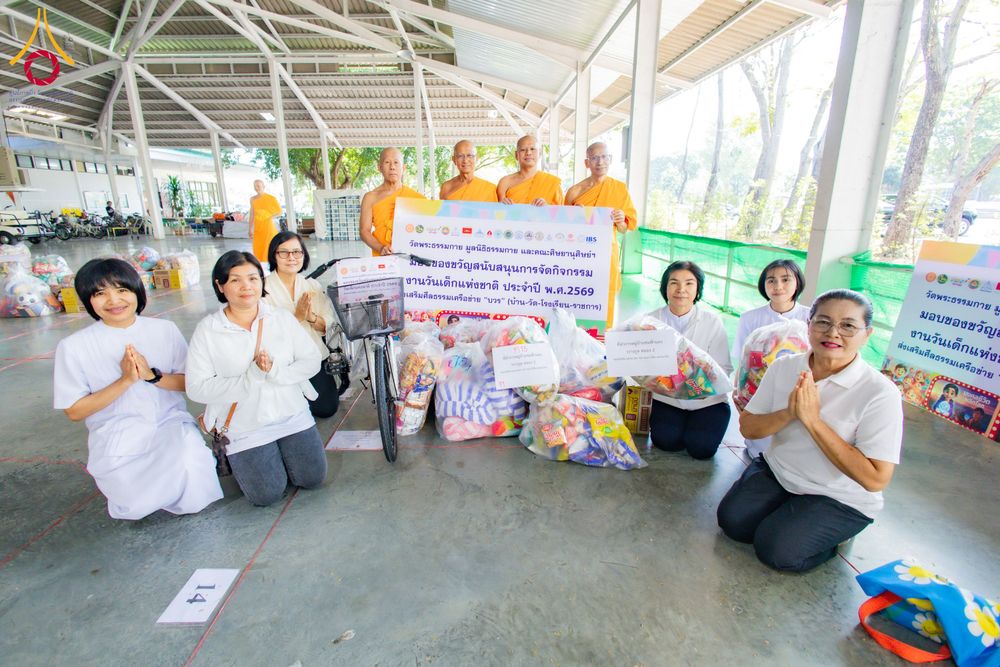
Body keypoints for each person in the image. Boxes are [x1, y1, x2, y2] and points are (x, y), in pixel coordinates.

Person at [716, 289, 904, 572]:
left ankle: (834, 536)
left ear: (867, 334)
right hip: (780, 472)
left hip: (837, 496)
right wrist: (790, 413)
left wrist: (813, 421)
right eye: (823, 322)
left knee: (776, 551)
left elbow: (875, 479)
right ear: (809, 325)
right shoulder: (785, 367)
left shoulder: (879, 393)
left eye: (848, 326)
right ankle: (790, 515)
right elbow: (749, 428)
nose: (833, 333)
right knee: (733, 523)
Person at [53, 258, 222, 520]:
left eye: (122, 290)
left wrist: (151, 376)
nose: (114, 300)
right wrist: (126, 380)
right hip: (117, 434)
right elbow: (74, 411)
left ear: (137, 292)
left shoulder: (164, 330)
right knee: (133, 504)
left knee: (193, 474)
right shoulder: (74, 346)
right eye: (100, 293)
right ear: (88, 300)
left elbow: (190, 384)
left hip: (169, 424)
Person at [186, 250, 327, 507]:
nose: (246, 286)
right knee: (266, 495)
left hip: (291, 414)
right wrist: (251, 378)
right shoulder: (208, 330)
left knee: (313, 478)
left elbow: (311, 360)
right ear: (220, 285)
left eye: (253, 278)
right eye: (235, 280)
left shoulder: (281, 318)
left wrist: (275, 372)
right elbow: (196, 387)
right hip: (245, 426)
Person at [646, 261, 733, 459]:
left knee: (701, 449)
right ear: (665, 287)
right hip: (668, 399)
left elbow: (724, 368)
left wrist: (700, 386)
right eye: (674, 283)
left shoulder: (712, 322)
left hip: (707, 402)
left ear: (698, 288)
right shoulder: (650, 320)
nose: (681, 290)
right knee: (665, 441)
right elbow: (642, 365)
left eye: (689, 283)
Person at [732, 259, 811, 458]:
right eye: (771, 280)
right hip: (758, 387)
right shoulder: (750, 318)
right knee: (761, 441)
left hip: (796, 387)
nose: (778, 286)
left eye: (785, 279)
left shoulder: (811, 317)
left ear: (798, 282)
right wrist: (739, 393)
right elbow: (743, 361)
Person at [263, 231, 340, 419]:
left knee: (327, 408)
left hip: (311, 357)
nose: (291, 258)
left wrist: (311, 317)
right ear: (274, 255)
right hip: (278, 361)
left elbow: (327, 324)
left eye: (297, 252)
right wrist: (296, 317)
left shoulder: (311, 285)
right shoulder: (262, 288)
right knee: (280, 410)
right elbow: (263, 332)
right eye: (284, 252)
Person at [565, 142, 638, 327]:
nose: (600, 162)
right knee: (577, 296)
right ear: (587, 163)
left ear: (610, 159)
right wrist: (576, 217)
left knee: (605, 299)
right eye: (595, 158)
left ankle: (603, 337)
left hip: (607, 254)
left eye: (604, 157)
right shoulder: (574, 192)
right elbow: (564, 229)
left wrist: (620, 220)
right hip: (579, 255)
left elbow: (623, 229)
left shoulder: (619, 189)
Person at [360, 147, 426, 256]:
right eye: (387, 162)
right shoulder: (370, 197)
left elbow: (424, 230)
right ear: (379, 167)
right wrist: (381, 248)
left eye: (396, 162)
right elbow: (364, 231)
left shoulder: (417, 199)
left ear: (403, 168)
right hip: (382, 257)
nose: (392, 167)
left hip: (409, 256)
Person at [497, 135, 563, 206]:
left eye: (532, 149)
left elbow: (562, 211)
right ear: (516, 155)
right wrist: (502, 204)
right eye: (523, 150)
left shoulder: (551, 183)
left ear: (540, 153)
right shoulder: (505, 182)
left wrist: (547, 208)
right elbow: (495, 209)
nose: (528, 153)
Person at [249, 180, 282, 263]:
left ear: (263, 187)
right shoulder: (252, 199)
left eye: (258, 186)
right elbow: (252, 214)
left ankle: (272, 263)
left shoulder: (271, 198)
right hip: (258, 226)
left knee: (268, 245)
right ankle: (262, 265)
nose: (256, 188)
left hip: (268, 226)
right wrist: (250, 228)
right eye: (255, 186)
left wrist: (269, 217)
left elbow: (279, 212)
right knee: (258, 245)